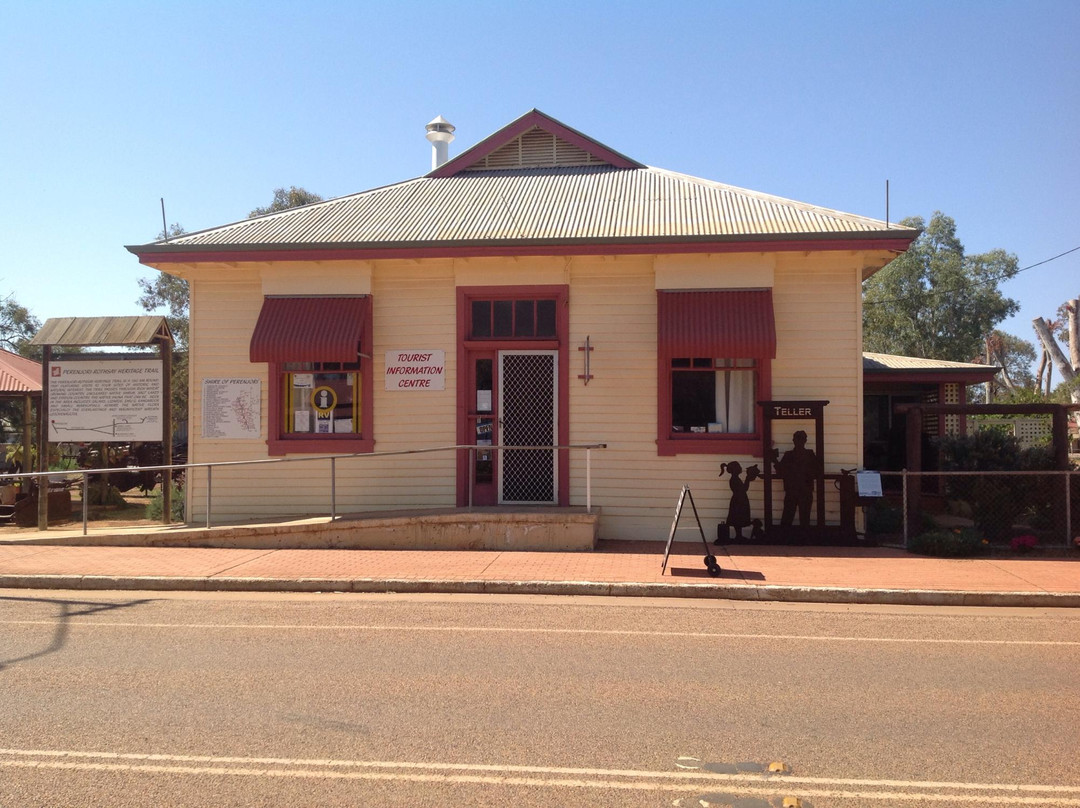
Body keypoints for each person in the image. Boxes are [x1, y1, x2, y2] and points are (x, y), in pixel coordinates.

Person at [773, 430, 820, 527]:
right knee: (788, 518)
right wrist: (774, 461)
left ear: (805, 440)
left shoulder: (809, 454)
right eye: (798, 439)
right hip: (792, 491)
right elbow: (781, 472)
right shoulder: (789, 455)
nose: (799, 441)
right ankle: (787, 539)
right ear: (794, 440)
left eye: (801, 439)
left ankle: (802, 539)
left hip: (804, 491)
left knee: (803, 519)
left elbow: (816, 471)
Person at [719, 461, 760, 540]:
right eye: (739, 467)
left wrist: (748, 479)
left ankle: (739, 535)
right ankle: (738, 536)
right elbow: (744, 489)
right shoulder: (734, 479)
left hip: (740, 499)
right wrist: (747, 479)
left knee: (739, 517)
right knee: (737, 517)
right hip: (738, 500)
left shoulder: (736, 479)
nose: (741, 468)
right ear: (735, 469)